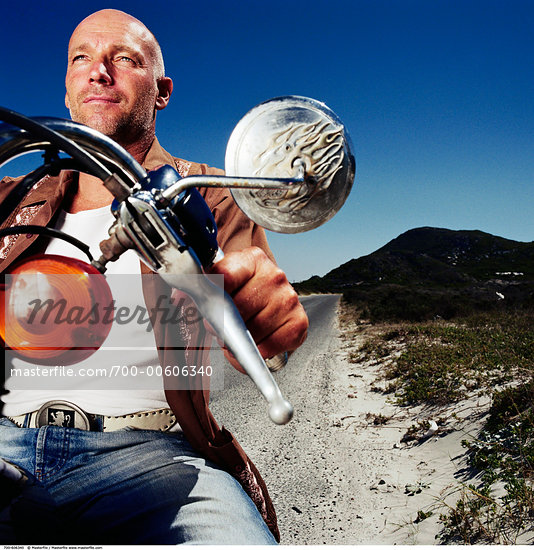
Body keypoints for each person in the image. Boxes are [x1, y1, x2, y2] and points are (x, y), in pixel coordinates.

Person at [0, 9, 308, 544]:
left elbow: (262, 339)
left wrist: (265, 318)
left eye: (124, 59)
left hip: (152, 456)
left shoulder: (207, 191)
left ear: (161, 91)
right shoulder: (10, 196)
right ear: (69, 90)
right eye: (81, 59)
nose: (99, 71)